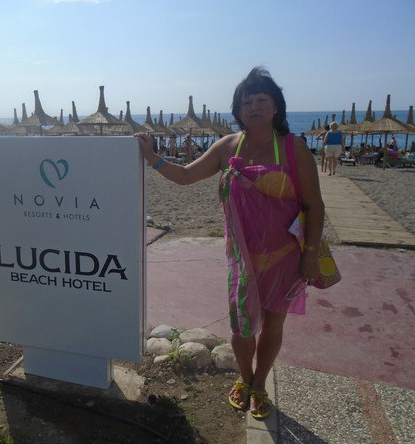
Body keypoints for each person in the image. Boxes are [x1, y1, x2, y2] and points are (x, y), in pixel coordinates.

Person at [136, 67, 324, 420]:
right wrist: (152, 158)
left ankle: (260, 383)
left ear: (276, 106)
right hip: (241, 258)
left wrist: (310, 255)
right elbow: (186, 175)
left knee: (274, 324)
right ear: (237, 110)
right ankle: (244, 377)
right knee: (241, 326)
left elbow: (314, 205)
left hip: (285, 257)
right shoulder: (227, 147)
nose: (254, 106)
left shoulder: (293, 148)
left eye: (262, 100)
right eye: (247, 102)